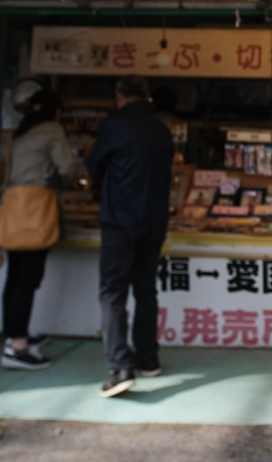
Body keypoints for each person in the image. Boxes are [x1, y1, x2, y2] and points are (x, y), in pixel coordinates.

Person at [87, 75, 174, 398]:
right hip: (154, 221)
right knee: (146, 290)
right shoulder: (161, 129)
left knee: (113, 293)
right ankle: (148, 358)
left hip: (120, 221)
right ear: (147, 96)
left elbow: (94, 170)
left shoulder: (114, 127)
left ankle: (120, 367)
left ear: (118, 94)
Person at [1, 88, 75, 370]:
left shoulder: (20, 132)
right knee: (28, 278)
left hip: (12, 206)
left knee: (15, 275)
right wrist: (68, 183)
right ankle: (17, 347)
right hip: (35, 207)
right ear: (56, 112)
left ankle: (12, 335)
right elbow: (66, 168)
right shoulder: (53, 130)